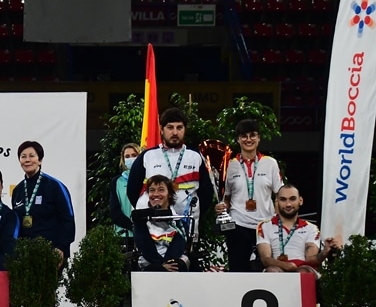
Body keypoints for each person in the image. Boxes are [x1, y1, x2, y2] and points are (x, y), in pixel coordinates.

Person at [216, 119, 283, 272]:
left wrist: (279, 223)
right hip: (238, 224)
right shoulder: (229, 165)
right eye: (244, 136)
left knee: (266, 269)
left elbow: (279, 195)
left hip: (265, 225)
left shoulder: (270, 163)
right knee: (238, 270)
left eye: (253, 135)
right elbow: (226, 198)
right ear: (238, 139)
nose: (248, 140)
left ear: (259, 138)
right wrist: (222, 208)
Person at [127, 107, 213, 226]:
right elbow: (132, 190)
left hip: (187, 221)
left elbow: (206, 192)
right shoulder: (147, 156)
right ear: (161, 129)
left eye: (179, 128)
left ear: (185, 129)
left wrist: (196, 210)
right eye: (170, 127)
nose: (175, 133)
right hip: (153, 223)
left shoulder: (196, 156)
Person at [10, 140, 75, 266]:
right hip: (25, 254)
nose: (27, 160)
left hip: (51, 251)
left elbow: (68, 219)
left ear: (40, 160)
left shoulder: (55, 186)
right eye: (23, 157)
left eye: (32, 156)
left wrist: (60, 247)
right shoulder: (18, 190)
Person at [257, 184, 340, 273]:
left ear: (300, 201)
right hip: (277, 268)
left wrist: (324, 253)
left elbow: (310, 260)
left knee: (303, 271)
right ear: (277, 201)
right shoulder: (264, 226)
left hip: (303, 268)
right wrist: (286, 265)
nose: (288, 204)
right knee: (272, 270)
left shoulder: (311, 228)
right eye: (283, 199)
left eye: (292, 199)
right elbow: (265, 259)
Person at [132, 175, 190, 272]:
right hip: (151, 264)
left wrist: (165, 265)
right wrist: (161, 266)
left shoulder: (180, 223)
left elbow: (178, 249)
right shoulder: (141, 222)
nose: (156, 194)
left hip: (172, 264)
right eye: (152, 190)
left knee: (179, 265)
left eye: (161, 190)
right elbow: (145, 248)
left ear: (169, 194)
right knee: (150, 268)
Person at [110, 142, 140, 238]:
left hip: (146, 234)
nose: (130, 158)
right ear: (123, 159)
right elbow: (114, 211)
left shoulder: (148, 180)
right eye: (127, 156)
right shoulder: (117, 181)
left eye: (134, 155)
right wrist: (131, 225)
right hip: (123, 235)